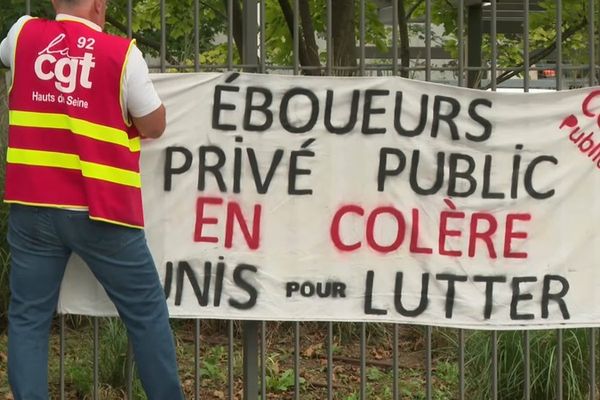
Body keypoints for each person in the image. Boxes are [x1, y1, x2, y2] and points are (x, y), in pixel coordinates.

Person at [0, 0, 184, 398]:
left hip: (33, 206)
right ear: (100, 5)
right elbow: (154, 123)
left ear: (53, 2)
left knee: (29, 318)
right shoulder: (122, 56)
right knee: (146, 315)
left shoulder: (21, 35)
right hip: (102, 210)